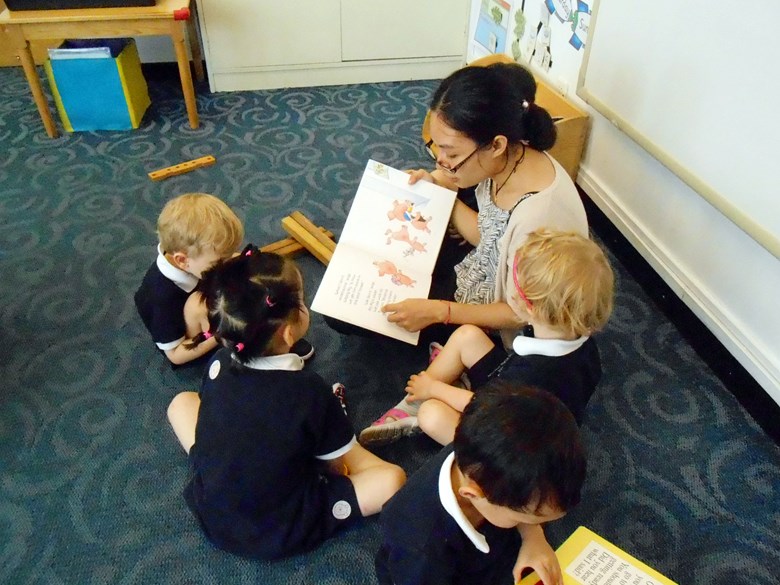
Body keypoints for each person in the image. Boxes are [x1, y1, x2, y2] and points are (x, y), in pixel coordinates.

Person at [166, 250, 406, 560]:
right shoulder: (308, 392)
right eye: (302, 302)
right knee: (391, 479)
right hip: (276, 529)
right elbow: (335, 469)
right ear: (289, 332)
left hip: (211, 506)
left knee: (181, 403)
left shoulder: (220, 361)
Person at [382, 62, 588, 347]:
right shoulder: (508, 159)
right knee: (390, 259)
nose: (440, 160)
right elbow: (492, 240)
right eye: (437, 146)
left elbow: (521, 313)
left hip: (509, 319)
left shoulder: (537, 218)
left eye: (451, 153)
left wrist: (439, 313)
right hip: (485, 275)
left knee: (368, 306)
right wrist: (439, 189)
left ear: (496, 145)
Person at [361, 229, 614, 446]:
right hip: (521, 401)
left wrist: (436, 389)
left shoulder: (535, 373)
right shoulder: (580, 343)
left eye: (515, 283)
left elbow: (485, 405)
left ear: (531, 308)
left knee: (432, 415)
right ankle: (414, 401)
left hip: (515, 436)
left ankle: (424, 402)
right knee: (467, 335)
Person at [375, 383, 586, 585]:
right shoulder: (422, 550)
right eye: (534, 517)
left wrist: (534, 537)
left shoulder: (480, 460)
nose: (541, 522)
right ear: (473, 494)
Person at [134, 193, 244, 366]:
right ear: (182, 260)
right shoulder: (161, 299)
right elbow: (175, 355)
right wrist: (223, 331)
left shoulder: (193, 261)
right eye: (219, 261)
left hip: (199, 297)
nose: (226, 262)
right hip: (192, 340)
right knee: (199, 305)